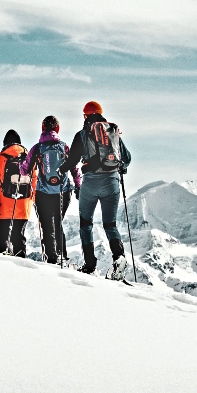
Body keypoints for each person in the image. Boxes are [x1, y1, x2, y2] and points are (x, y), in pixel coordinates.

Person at [59, 101, 132, 278]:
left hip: (91, 183)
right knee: (110, 224)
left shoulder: (82, 135)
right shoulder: (113, 132)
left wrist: (61, 169)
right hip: (112, 182)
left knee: (86, 224)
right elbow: (127, 158)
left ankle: (90, 265)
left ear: (85, 116)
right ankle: (119, 257)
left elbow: (72, 160)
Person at [19, 115, 81, 265]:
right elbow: (74, 169)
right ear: (57, 129)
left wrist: (22, 161)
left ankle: (51, 258)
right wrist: (78, 186)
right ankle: (62, 257)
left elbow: (24, 171)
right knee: (58, 223)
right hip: (63, 192)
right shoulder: (65, 147)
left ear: (42, 128)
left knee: (47, 225)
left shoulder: (37, 148)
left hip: (43, 193)